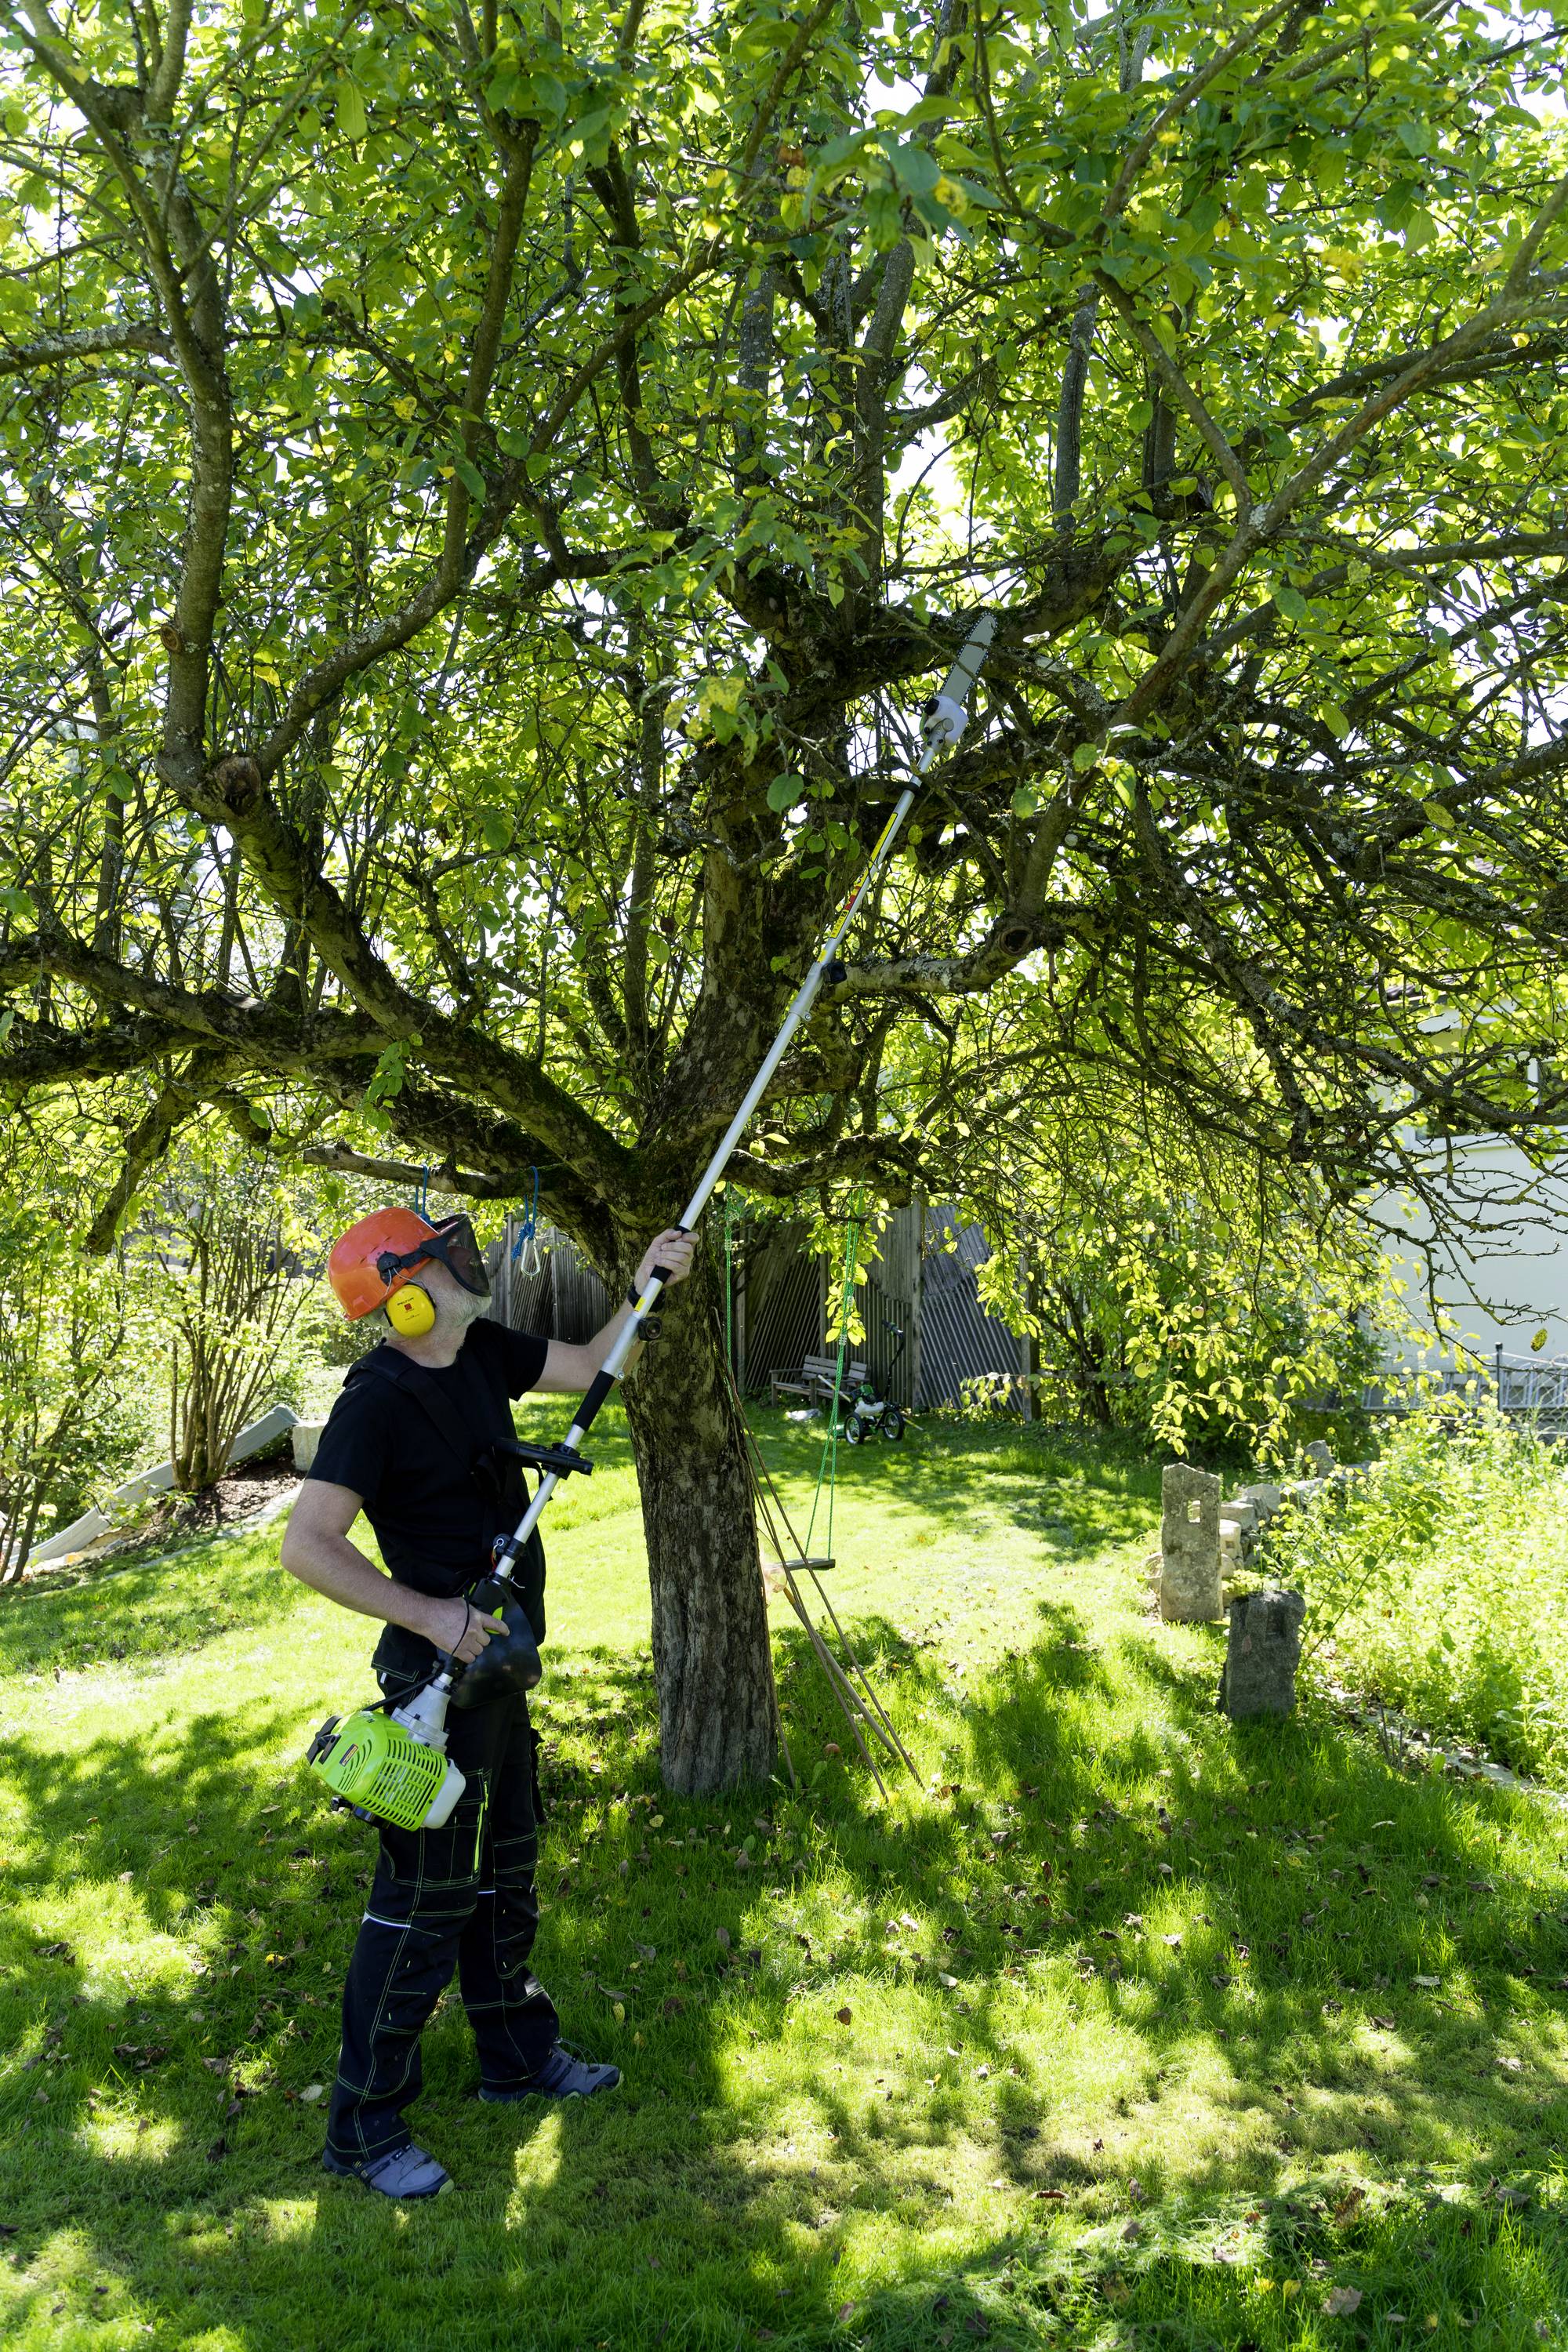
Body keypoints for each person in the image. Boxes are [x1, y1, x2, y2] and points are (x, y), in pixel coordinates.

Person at [281, 1203, 695, 2200]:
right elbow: (307, 1546)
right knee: (422, 1903)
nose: (469, 1259)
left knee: (507, 1870)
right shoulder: (373, 1402)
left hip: (502, 1667)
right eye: (440, 1255)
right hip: (435, 1683)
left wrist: (646, 1281)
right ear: (406, 1293)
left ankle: (514, 2057)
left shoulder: (479, 1350)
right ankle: (364, 2128)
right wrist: (428, 1617)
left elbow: (602, 1360)